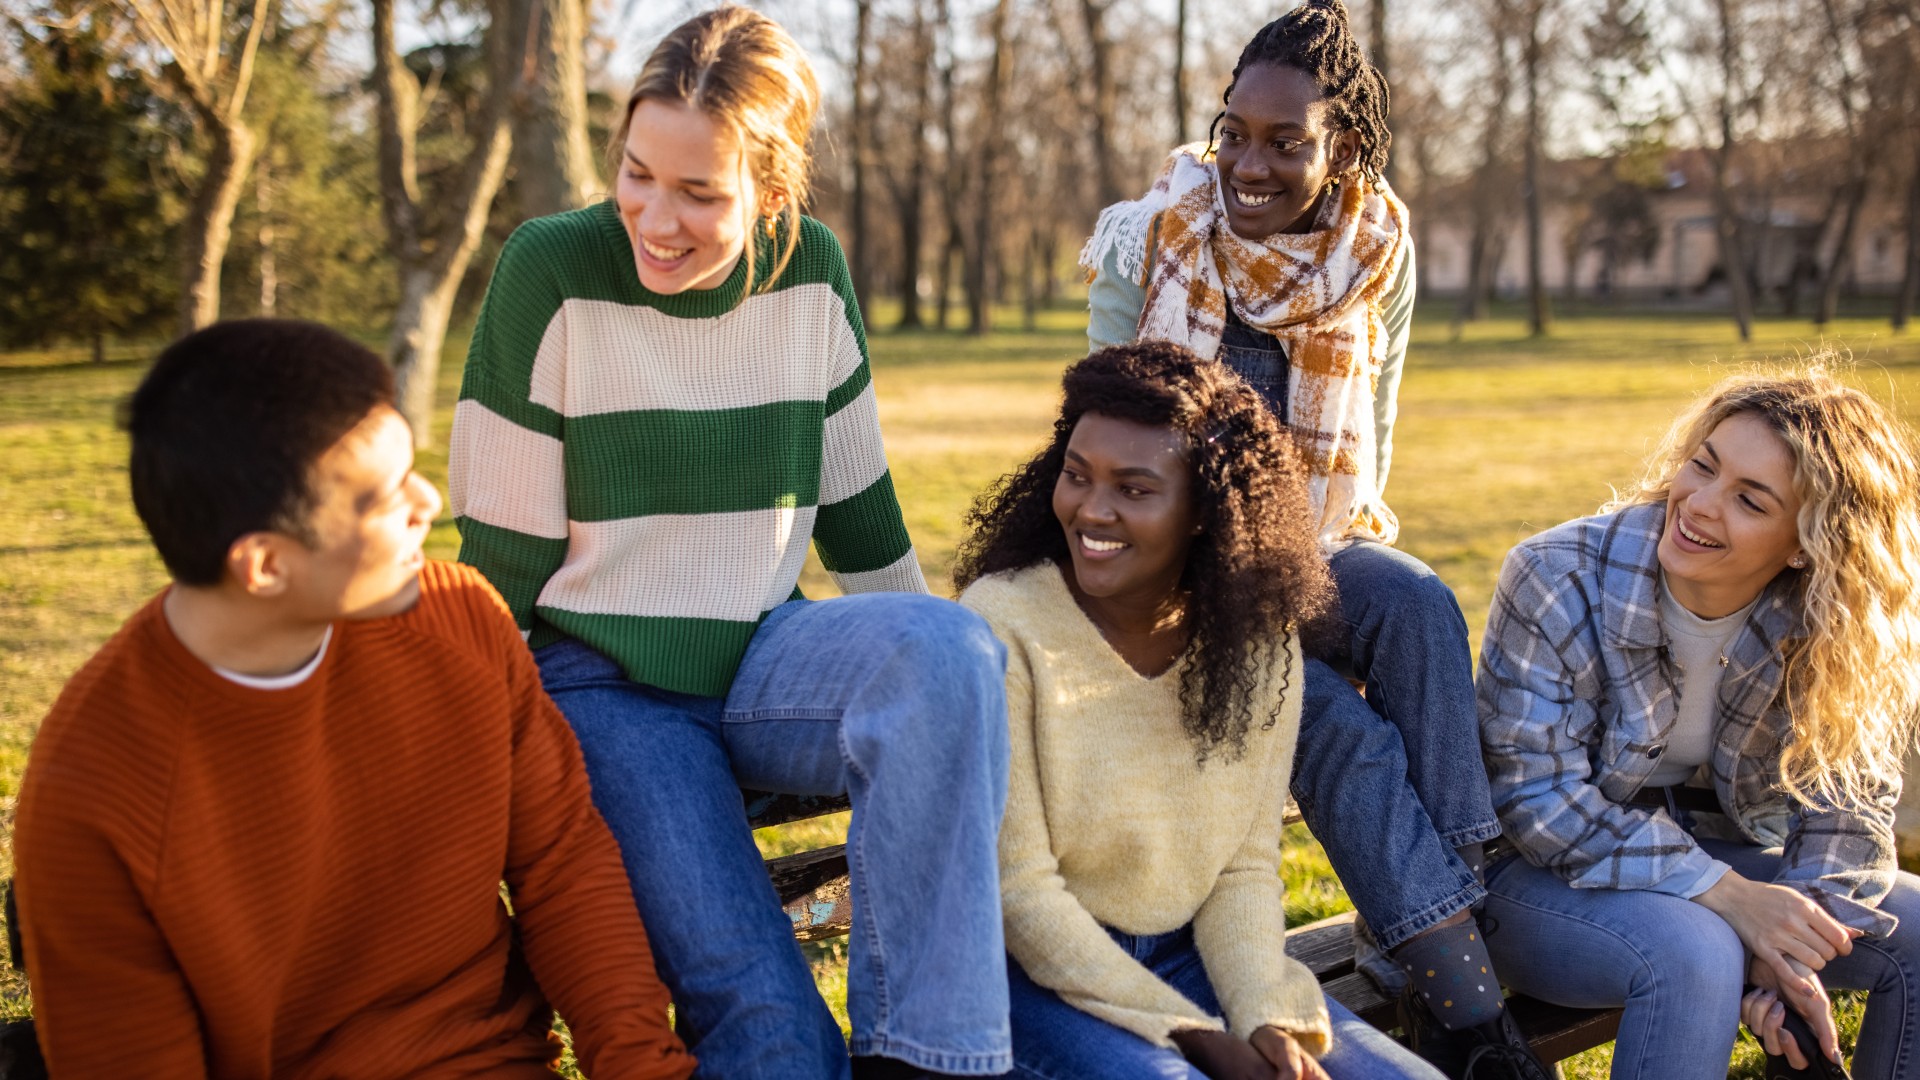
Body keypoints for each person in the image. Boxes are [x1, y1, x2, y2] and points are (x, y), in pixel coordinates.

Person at [449, 8, 1010, 1079]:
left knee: (951, 652)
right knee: (777, 1034)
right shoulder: (551, 269)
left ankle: (926, 1061)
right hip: (605, 688)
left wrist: (955, 673)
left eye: (700, 193)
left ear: (772, 190)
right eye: (637, 174)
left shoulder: (810, 273)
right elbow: (499, 565)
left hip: (765, 655)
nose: (655, 219)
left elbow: (859, 515)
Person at [10, 319, 694, 1079]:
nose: (428, 500)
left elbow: (561, 861)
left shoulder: (462, 618)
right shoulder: (94, 795)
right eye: (383, 495)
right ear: (265, 565)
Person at [1077, 2, 1538, 1073]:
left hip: (1312, 541)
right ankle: (1477, 1016)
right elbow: (1098, 441)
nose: (1250, 161)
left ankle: (1469, 906)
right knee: (1325, 715)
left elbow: (1369, 437)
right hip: (1169, 572)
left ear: (1345, 148)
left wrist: (1311, 571)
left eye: (1288, 141)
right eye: (1234, 130)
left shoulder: (1377, 246)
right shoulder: (1154, 237)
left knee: (1416, 598)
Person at [955, 341, 1446, 1080]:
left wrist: (1266, 1017)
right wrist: (1199, 1039)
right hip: (1024, 974)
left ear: (1203, 510)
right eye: (1077, 476)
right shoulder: (1004, 623)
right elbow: (1018, 894)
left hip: (1189, 954)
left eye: (1134, 488)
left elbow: (1239, 868)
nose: (1092, 509)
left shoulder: (1254, 643)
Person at [1476, 366, 1920, 1080]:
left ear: (1807, 543)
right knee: (1697, 951)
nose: (1700, 505)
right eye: (1703, 466)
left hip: (1708, 861)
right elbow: (1534, 802)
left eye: (1750, 500)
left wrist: (1791, 944)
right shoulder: (1557, 577)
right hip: (1529, 879)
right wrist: (1734, 900)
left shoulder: (1832, 619)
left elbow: (1851, 804)